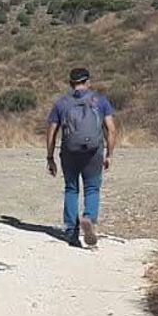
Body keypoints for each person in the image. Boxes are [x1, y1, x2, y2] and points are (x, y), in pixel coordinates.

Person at [45, 68, 118, 249]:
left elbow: (51, 132)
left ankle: (71, 231)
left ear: (71, 83)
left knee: (71, 189)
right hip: (93, 152)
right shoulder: (100, 101)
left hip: (69, 152)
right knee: (92, 188)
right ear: (88, 82)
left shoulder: (62, 104)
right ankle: (89, 218)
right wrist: (109, 154)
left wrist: (50, 157)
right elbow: (112, 129)